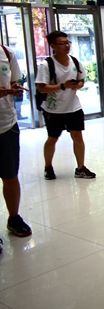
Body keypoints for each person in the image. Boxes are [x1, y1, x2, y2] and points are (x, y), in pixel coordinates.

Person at [36, 31, 95, 180]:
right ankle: (48, 166)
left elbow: (81, 80)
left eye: (68, 42)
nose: (67, 46)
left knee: (77, 136)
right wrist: (63, 86)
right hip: (54, 109)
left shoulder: (75, 61)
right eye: (62, 43)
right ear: (53, 46)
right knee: (53, 138)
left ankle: (80, 168)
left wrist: (78, 85)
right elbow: (42, 88)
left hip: (73, 107)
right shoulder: (46, 65)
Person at [0, 45, 32, 238]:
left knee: (10, 175)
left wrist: (15, 89)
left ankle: (14, 218)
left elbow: (12, 81)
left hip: (7, 124)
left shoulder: (6, 53)